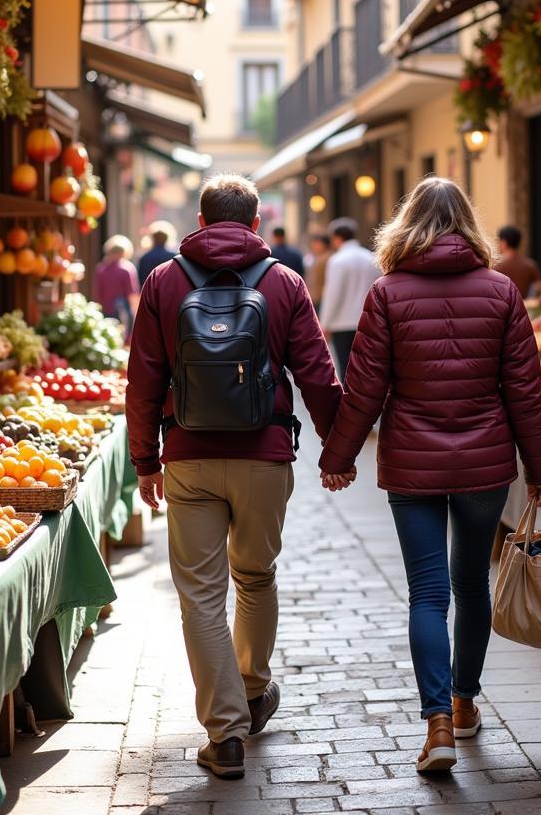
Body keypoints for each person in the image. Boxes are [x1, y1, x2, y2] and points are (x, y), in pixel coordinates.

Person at [318, 177, 541, 774]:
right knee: (472, 584)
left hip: (412, 462)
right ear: (470, 224)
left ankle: (438, 726)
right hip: (485, 463)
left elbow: (366, 386)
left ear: (407, 224)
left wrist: (338, 457)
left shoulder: (388, 293)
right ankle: (465, 702)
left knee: (428, 592)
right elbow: (524, 391)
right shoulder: (501, 291)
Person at [126, 174, 343, 781]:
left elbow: (142, 379)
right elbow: (319, 375)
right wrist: (338, 451)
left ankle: (224, 736)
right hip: (264, 455)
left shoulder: (164, 281)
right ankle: (251, 691)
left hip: (188, 457)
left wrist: (145, 460)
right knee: (256, 575)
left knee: (200, 596)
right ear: (254, 223)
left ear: (199, 222)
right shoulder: (283, 282)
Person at [317, 217, 379, 382]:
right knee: (366, 369)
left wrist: (325, 324)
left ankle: (349, 404)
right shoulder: (371, 258)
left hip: (342, 324)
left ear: (336, 237)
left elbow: (333, 295)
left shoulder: (337, 261)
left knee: (346, 369)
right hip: (368, 322)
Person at [93, 235, 139, 338]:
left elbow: (97, 293)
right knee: (123, 337)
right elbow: (132, 293)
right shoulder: (127, 268)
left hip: (105, 309)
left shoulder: (101, 268)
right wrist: (137, 312)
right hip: (122, 310)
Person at [494, 224, 541, 298]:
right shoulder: (530, 265)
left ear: (504, 243)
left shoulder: (495, 264)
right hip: (522, 306)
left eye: (498, 241)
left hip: (501, 307)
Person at [138, 220, 177, 286]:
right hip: (168, 291)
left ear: (152, 239)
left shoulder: (144, 258)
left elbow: (141, 280)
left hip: (150, 292)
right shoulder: (173, 257)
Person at [304, 232, 332, 311]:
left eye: (316, 243)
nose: (313, 246)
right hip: (316, 298)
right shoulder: (318, 257)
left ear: (324, 244)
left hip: (320, 299)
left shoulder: (326, 259)